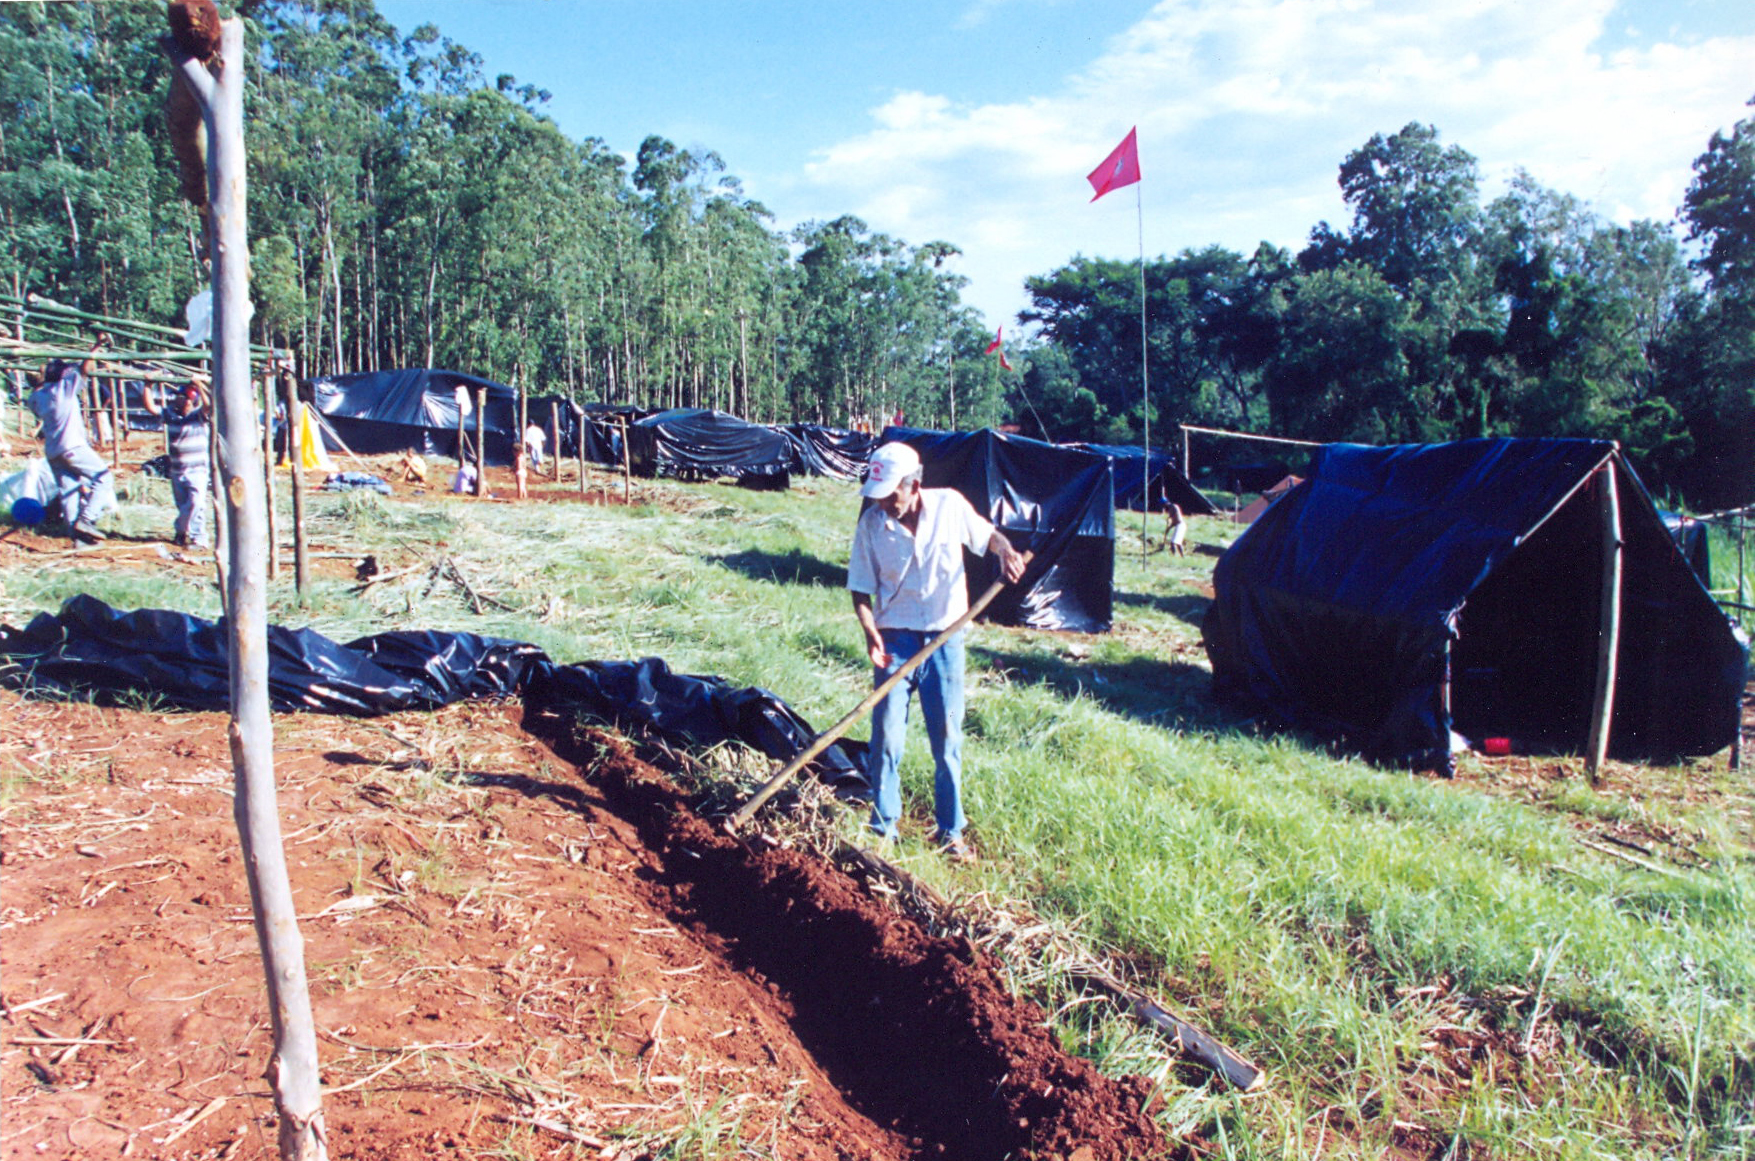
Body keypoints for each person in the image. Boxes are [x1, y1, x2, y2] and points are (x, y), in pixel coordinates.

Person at [847, 442, 1025, 862]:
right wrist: (871, 632)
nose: (885, 502)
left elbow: (988, 536)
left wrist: (1006, 551)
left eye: (892, 493)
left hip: (945, 638)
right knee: (886, 735)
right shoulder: (872, 524)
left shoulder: (949, 505)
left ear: (915, 484)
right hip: (894, 640)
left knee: (946, 739)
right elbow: (860, 588)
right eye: (879, 494)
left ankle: (950, 832)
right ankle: (883, 826)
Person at [29, 337, 115, 545]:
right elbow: (85, 367)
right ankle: (87, 519)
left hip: (53, 451)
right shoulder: (63, 390)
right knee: (104, 478)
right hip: (72, 446)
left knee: (69, 491)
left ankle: (78, 538)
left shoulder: (36, 398)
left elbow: (36, 388)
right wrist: (97, 345)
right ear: (62, 376)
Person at [141, 375, 213, 549]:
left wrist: (199, 385)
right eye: (179, 398)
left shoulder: (198, 416)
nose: (180, 401)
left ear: (192, 401)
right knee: (183, 505)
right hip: (177, 470)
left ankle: (197, 537)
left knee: (196, 503)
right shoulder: (170, 415)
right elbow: (150, 407)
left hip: (197, 470)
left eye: (185, 398)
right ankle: (184, 534)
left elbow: (209, 405)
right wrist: (148, 385)